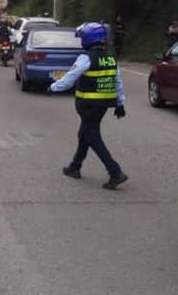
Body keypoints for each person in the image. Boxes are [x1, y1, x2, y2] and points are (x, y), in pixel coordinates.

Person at [49, 22, 128, 190]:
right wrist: (120, 103)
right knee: (84, 133)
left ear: (88, 39)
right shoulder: (111, 58)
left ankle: (115, 171)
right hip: (103, 105)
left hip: (88, 104)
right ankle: (75, 167)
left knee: (92, 136)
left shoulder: (86, 58)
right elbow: (118, 81)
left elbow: (71, 77)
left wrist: (54, 87)